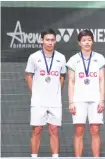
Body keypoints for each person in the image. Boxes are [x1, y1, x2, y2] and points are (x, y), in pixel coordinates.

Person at [25, 29, 66, 158]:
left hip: (54, 101)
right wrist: (35, 92)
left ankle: (55, 157)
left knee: (54, 130)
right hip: (38, 101)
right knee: (37, 129)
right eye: (47, 40)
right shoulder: (34, 57)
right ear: (41, 40)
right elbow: (28, 75)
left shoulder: (61, 57)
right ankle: (34, 157)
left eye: (52, 40)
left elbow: (62, 77)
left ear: (55, 41)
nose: (50, 43)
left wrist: (57, 91)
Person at [66, 29, 105, 157]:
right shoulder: (73, 60)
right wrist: (71, 102)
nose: (87, 43)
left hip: (95, 99)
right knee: (79, 131)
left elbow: (102, 80)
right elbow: (71, 82)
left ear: (92, 41)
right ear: (79, 43)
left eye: (89, 40)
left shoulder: (99, 58)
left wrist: (102, 100)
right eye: (84, 40)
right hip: (79, 100)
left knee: (95, 131)